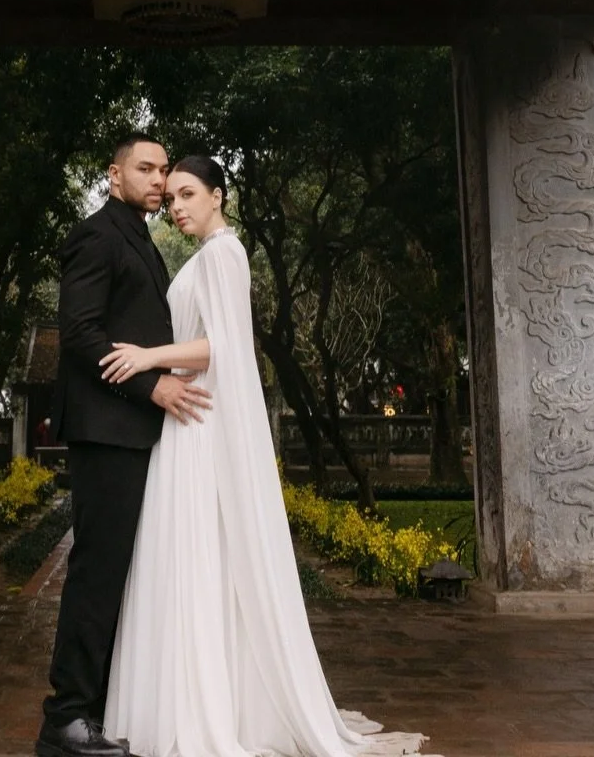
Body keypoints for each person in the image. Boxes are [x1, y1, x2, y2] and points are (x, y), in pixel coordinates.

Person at [99, 156, 428, 757]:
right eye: (170, 198)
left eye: (188, 194)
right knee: (191, 556)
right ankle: (190, 698)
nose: (176, 207)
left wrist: (147, 358)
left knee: (202, 553)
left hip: (200, 416)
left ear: (218, 196)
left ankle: (210, 708)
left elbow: (224, 346)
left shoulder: (227, 252)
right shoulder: (206, 257)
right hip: (185, 417)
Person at [40, 135, 214, 757]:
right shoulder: (97, 235)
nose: (159, 179)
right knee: (97, 573)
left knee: (120, 573)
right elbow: (80, 335)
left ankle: (96, 706)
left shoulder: (138, 239)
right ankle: (65, 718)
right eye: (146, 168)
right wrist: (152, 386)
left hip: (130, 432)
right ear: (114, 176)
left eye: (164, 170)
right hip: (105, 428)